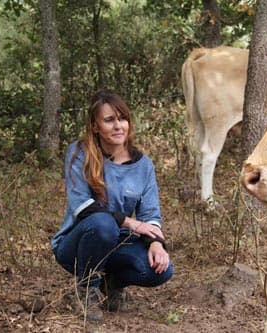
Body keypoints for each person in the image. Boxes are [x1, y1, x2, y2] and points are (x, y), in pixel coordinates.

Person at [51, 89, 173, 322]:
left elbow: (151, 213)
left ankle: (110, 284)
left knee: (162, 270)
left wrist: (156, 243)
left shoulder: (143, 165)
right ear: (95, 126)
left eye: (122, 118)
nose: (118, 126)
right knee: (103, 224)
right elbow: (82, 207)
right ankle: (87, 290)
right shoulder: (79, 153)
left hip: (118, 245)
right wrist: (131, 223)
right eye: (109, 120)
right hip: (76, 247)